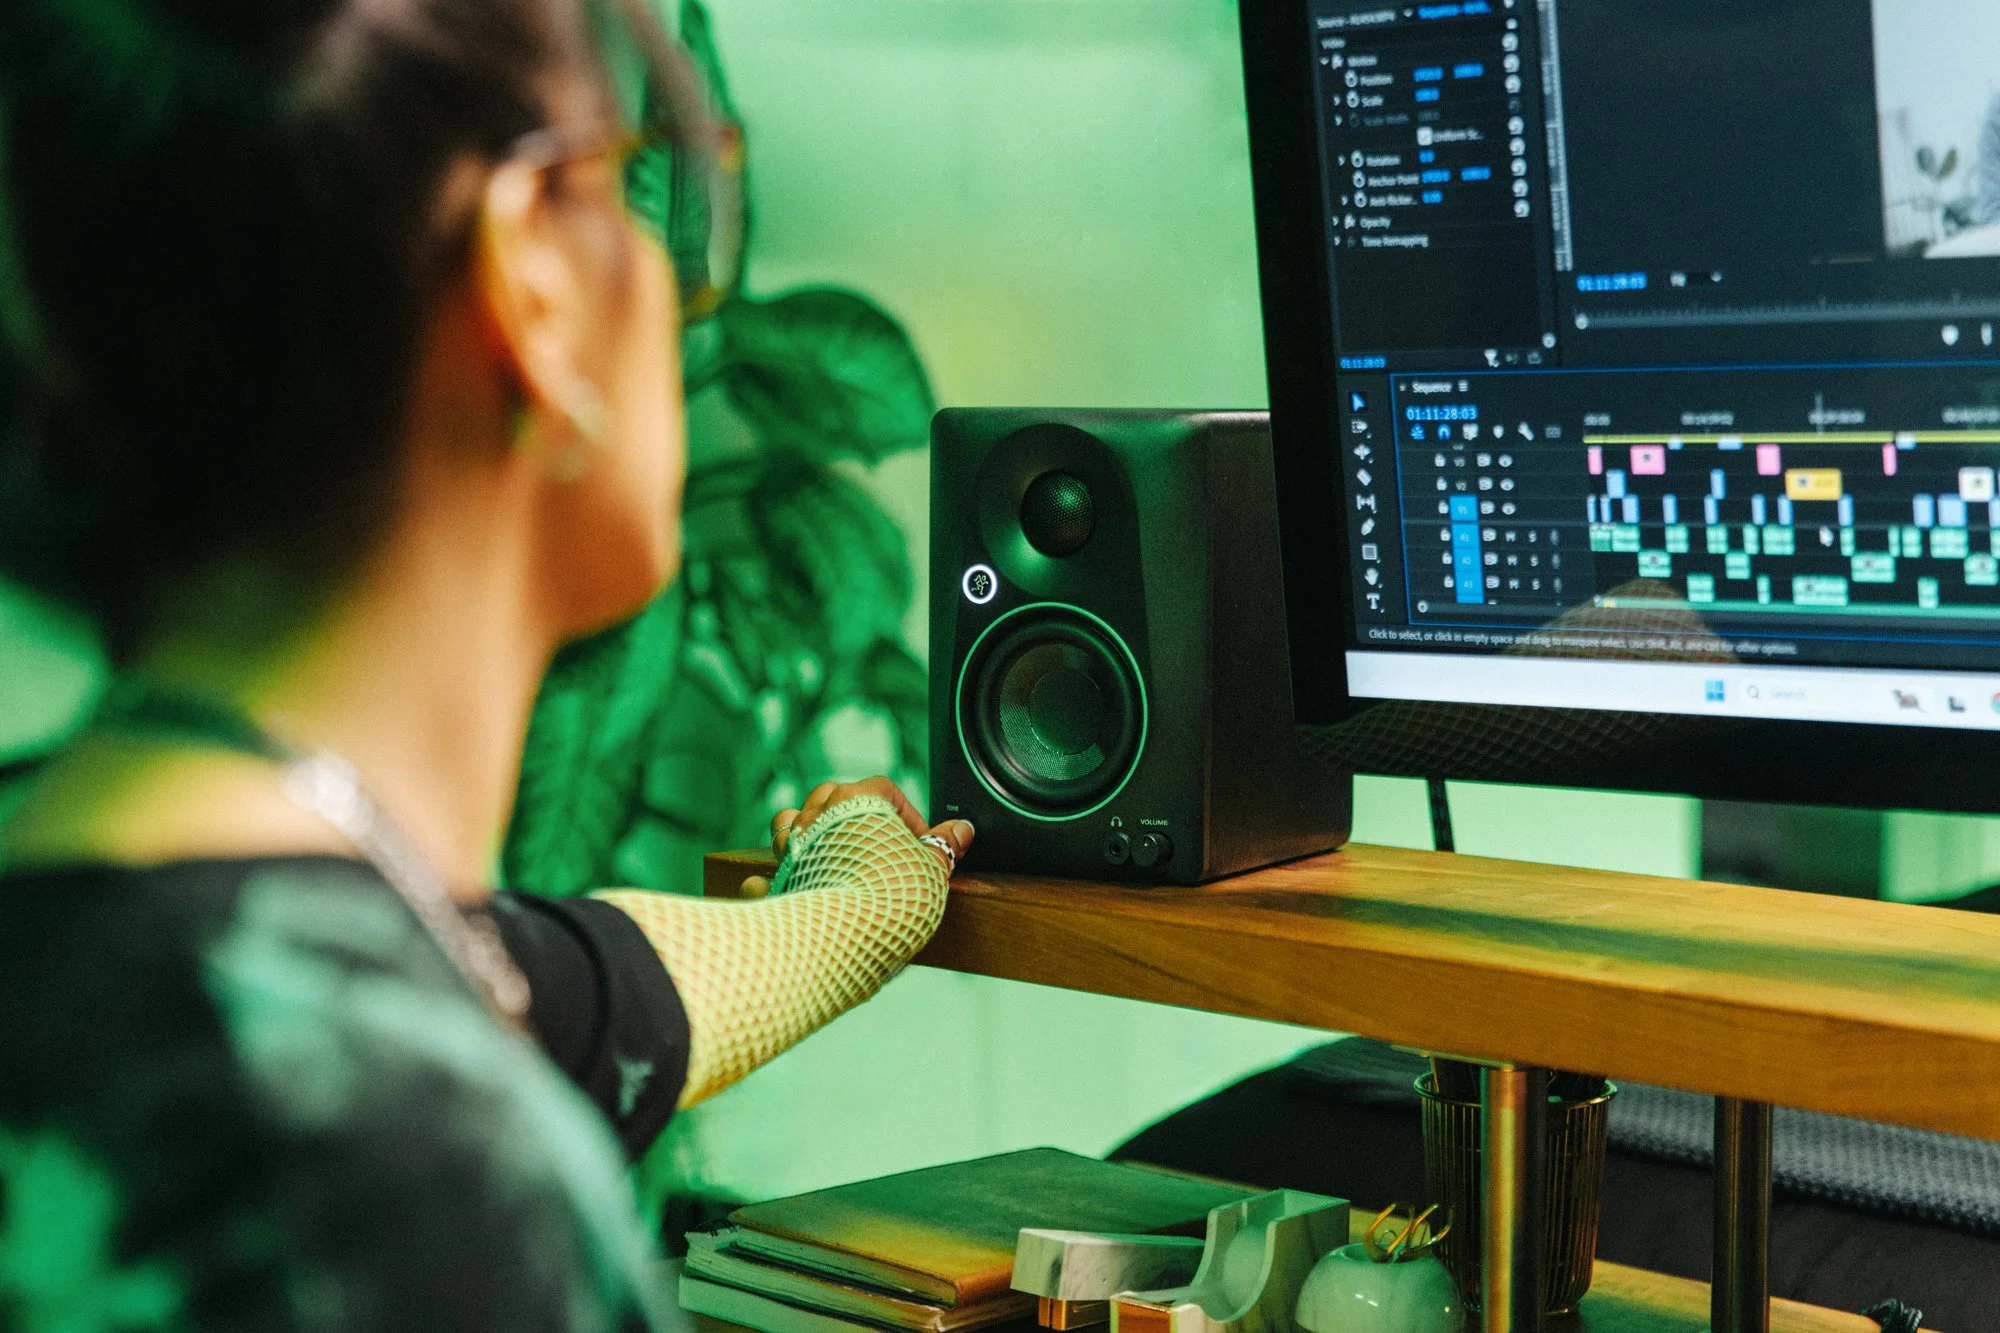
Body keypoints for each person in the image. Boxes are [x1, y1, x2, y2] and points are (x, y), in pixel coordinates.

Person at [0, 0, 971, 1326]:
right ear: (535, 277)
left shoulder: (130, 913)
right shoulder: (376, 1182)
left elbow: (562, 986)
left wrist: (860, 894)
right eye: (636, 187)